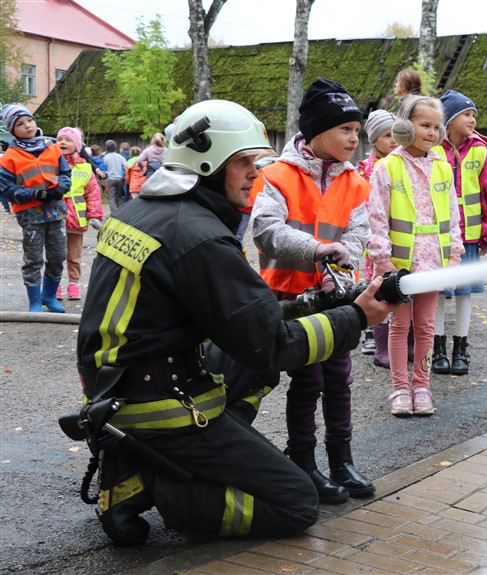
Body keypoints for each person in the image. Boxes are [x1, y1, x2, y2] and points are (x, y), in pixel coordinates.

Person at [72, 99, 398, 546]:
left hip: (118, 388)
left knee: (254, 362)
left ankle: (201, 453)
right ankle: (152, 481)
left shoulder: (143, 212)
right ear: (208, 164)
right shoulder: (199, 237)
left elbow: (246, 322)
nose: (254, 173)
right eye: (243, 162)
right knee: (294, 504)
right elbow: (273, 344)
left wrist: (313, 308)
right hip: (158, 404)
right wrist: (359, 316)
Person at [251, 77, 376, 504]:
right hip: (290, 299)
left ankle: (341, 459)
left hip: (334, 295)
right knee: (308, 380)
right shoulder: (277, 175)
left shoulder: (355, 181)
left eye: (357, 132)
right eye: (345, 130)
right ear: (316, 131)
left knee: (340, 378)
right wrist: (320, 250)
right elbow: (266, 231)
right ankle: (303, 461)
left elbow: (359, 233)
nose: (354, 139)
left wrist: (341, 262)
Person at [367, 94, 464, 416]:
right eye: (425, 125)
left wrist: (454, 256)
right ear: (405, 126)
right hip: (400, 266)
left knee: (425, 327)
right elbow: (376, 217)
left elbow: (453, 213)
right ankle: (399, 388)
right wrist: (383, 261)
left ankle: (421, 386)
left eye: (437, 127)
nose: (433, 133)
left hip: (433, 263)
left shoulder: (442, 167)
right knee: (399, 326)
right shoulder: (387, 168)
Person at [430, 90, 487, 376]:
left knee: (465, 293)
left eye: (474, 115)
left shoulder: (480, 152)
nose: (473, 120)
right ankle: (437, 349)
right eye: (467, 115)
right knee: (435, 293)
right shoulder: (433, 152)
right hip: (438, 239)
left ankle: (460, 348)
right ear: (449, 120)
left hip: (470, 239)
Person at [0, 103, 71, 313]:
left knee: (58, 255)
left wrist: (61, 187)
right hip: (30, 216)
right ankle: (34, 302)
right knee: (33, 259)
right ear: (12, 130)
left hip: (55, 211)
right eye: (20, 124)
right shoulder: (10, 157)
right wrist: (32, 193)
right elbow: (6, 188)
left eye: (29, 120)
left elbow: (66, 174)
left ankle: (49, 297)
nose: (27, 126)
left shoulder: (52, 147)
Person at [357, 109, 403, 366]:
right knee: (377, 288)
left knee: (396, 289)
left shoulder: (402, 165)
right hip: (374, 244)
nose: (393, 140)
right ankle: (375, 336)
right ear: (374, 141)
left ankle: (394, 339)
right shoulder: (366, 170)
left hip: (397, 239)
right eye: (387, 135)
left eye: (396, 134)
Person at [55, 127, 102, 301]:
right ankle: (56, 284)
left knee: (74, 255)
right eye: (60, 140)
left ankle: (73, 284)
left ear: (76, 145)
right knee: (55, 254)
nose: (62, 143)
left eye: (67, 140)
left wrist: (95, 215)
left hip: (76, 218)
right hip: (54, 217)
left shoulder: (85, 167)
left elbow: (93, 193)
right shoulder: (51, 164)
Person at [102, 139, 126, 212]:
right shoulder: (120, 157)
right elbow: (125, 166)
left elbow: (104, 167)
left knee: (111, 196)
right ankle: (120, 212)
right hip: (120, 179)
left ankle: (113, 213)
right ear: (116, 147)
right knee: (120, 196)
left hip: (110, 179)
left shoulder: (105, 157)